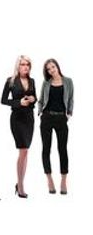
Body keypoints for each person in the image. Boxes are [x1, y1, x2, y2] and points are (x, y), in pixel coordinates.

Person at [1, 56, 37, 198]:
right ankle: (20, 186)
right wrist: (18, 103)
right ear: (18, 66)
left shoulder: (32, 81)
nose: (25, 67)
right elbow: (3, 100)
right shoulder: (10, 81)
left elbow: (34, 98)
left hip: (29, 118)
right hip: (17, 119)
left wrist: (34, 99)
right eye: (23, 64)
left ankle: (19, 183)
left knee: (25, 151)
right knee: (23, 150)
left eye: (28, 64)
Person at [37, 59, 72, 195]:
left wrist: (69, 114)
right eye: (49, 69)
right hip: (46, 118)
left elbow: (71, 99)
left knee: (62, 149)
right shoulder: (46, 83)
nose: (51, 70)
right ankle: (49, 179)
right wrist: (40, 112)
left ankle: (63, 180)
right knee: (46, 148)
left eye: (53, 67)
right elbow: (41, 100)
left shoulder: (68, 81)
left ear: (57, 66)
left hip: (61, 118)